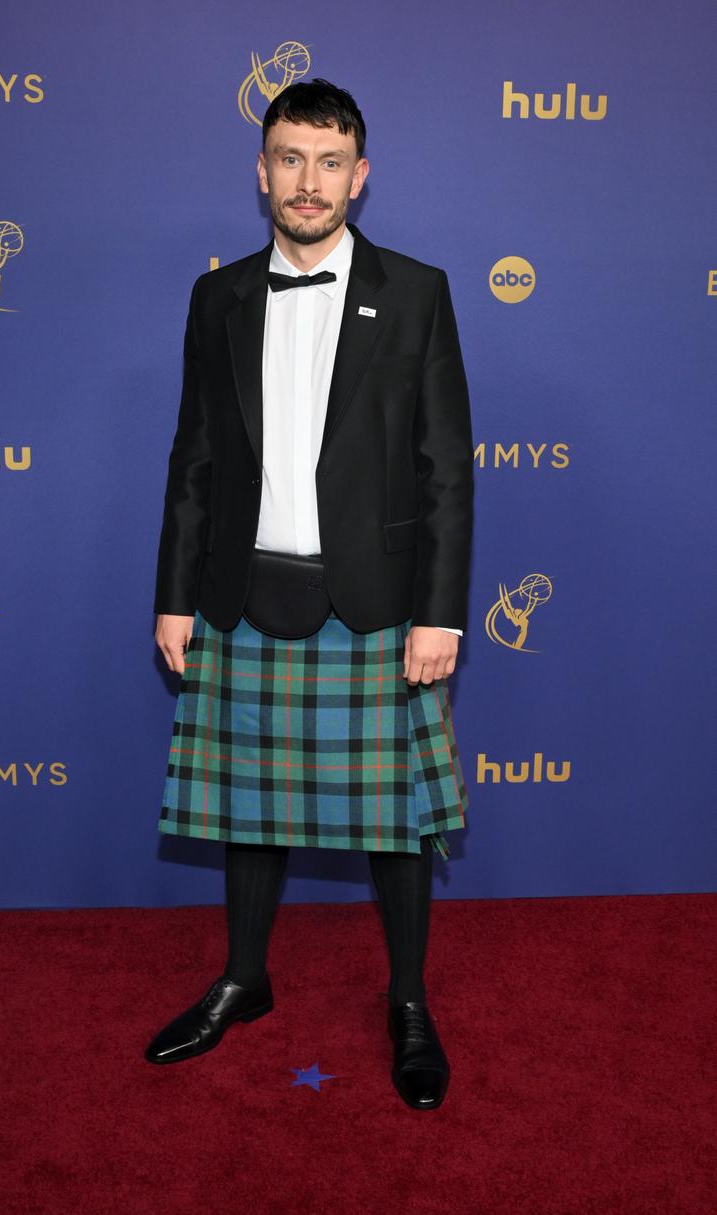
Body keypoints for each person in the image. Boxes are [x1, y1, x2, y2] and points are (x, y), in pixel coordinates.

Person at [144, 79, 474, 1111]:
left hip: (376, 605)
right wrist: (173, 596)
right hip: (244, 597)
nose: (309, 181)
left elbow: (446, 469)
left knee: (397, 820)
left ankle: (410, 1001)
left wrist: (442, 610)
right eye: (290, 159)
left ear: (360, 178)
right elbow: (193, 459)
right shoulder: (220, 297)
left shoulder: (417, 292)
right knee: (250, 806)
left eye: (331, 163)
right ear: (262, 172)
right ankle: (245, 980)